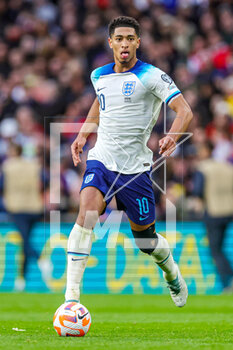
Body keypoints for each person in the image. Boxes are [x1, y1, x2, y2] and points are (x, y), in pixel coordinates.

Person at [65, 16, 193, 307]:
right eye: (119, 38)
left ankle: (172, 273)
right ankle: (71, 300)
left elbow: (184, 111)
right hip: (102, 159)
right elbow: (100, 102)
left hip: (135, 171)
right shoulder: (99, 75)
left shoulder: (151, 76)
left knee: (146, 242)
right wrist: (84, 134)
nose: (124, 44)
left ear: (138, 42)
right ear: (110, 43)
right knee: (86, 213)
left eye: (130, 38)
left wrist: (172, 136)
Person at [2, 142, 43, 290]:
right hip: (35, 207)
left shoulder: (7, 166)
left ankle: (41, 259)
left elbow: (2, 186)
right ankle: (21, 279)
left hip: (17, 207)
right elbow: (44, 182)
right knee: (25, 241)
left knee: (25, 241)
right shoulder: (33, 165)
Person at [193, 141, 233, 292]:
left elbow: (198, 191)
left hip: (213, 212)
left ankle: (228, 280)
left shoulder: (203, 168)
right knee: (220, 248)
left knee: (215, 250)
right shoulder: (227, 167)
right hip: (229, 211)